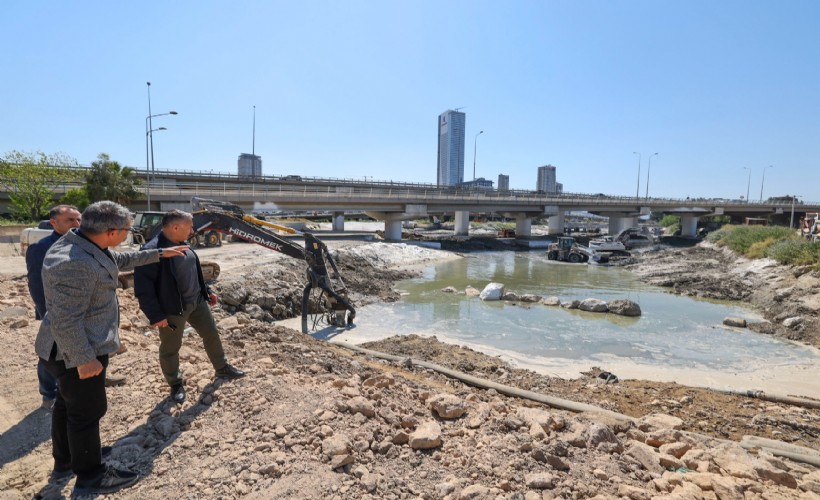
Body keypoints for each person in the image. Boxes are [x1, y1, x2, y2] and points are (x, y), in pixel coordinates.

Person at [35, 201, 188, 494]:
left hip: (67, 348)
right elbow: (67, 319)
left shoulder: (83, 243)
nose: (127, 236)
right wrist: (84, 359)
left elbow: (119, 261)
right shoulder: (75, 262)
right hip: (74, 351)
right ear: (110, 232)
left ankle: (67, 460)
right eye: (126, 231)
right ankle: (91, 476)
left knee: (68, 406)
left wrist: (159, 253)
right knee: (87, 412)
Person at [134, 209, 245, 404]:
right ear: (175, 227)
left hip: (197, 303)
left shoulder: (183, 243)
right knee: (171, 348)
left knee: (211, 334)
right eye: (189, 226)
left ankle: (222, 367)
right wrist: (155, 315)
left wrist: (206, 292)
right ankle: (175, 383)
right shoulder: (152, 251)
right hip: (173, 310)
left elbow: (194, 271)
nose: (193, 230)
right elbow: (144, 289)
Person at [26, 205, 81, 409]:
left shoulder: (82, 244)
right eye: (70, 220)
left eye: (78, 220)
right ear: (54, 223)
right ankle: (49, 393)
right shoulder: (40, 248)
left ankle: (81, 381)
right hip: (54, 312)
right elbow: (36, 284)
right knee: (50, 352)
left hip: (79, 310)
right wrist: (47, 314)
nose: (76, 224)